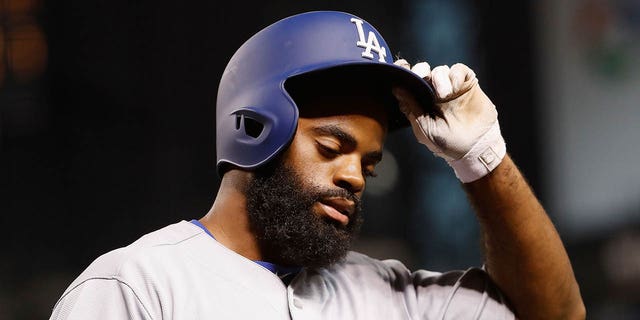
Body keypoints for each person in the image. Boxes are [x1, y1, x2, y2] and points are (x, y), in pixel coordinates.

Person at [50, 11, 585, 320]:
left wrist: (483, 159)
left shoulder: (393, 296)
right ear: (252, 128)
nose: (355, 177)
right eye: (332, 148)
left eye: (369, 166)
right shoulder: (137, 286)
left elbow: (555, 315)